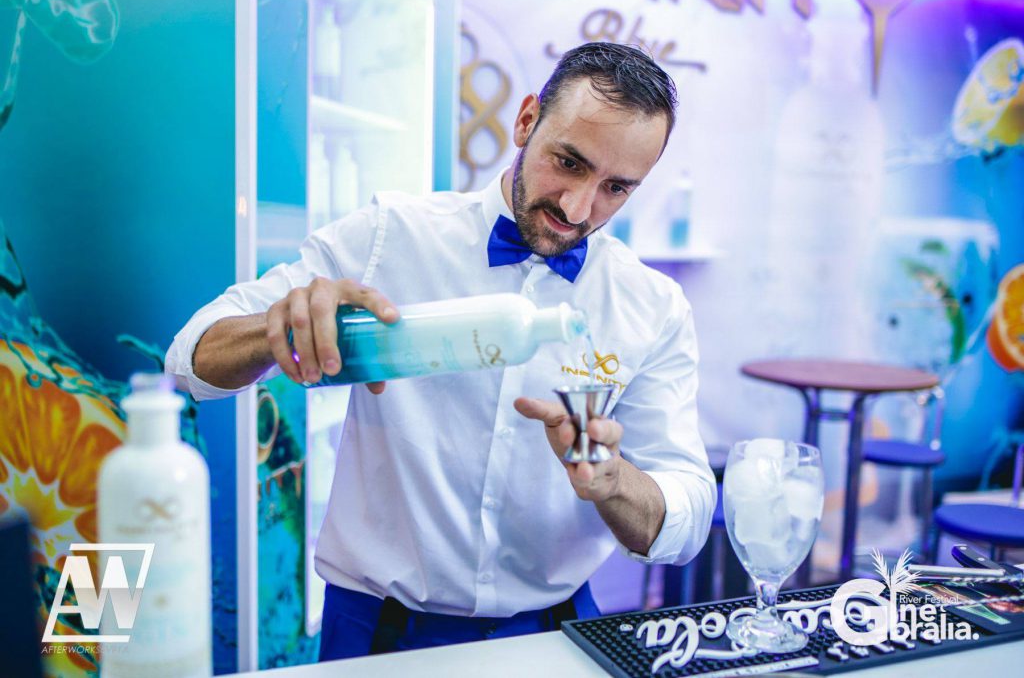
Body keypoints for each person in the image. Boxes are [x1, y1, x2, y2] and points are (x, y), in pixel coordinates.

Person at [166, 42, 715, 660]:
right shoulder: (391, 236)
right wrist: (276, 325)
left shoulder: (653, 305)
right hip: (374, 633)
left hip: (555, 636)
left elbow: (689, 511)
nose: (577, 207)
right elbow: (188, 358)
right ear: (527, 120)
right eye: (569, 162)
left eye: (616, 188)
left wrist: (613, 480)